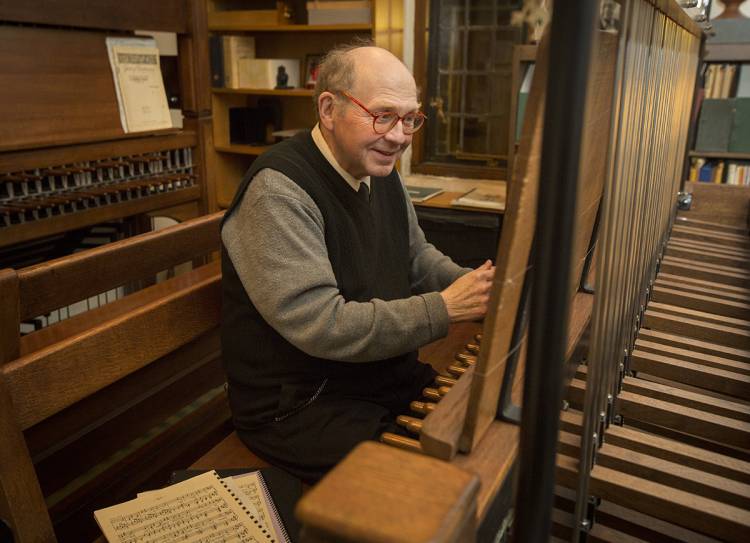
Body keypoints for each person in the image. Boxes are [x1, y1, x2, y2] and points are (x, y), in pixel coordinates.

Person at [220, 43, 495, 483]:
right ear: (329, 109)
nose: (400, 136)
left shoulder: (377, 166)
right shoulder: (279, 191)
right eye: (383, 115)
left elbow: (416, 257)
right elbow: (322, 323)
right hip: (302, 404)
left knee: (484, 428)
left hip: (374, 377)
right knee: (426, 481)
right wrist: (447, 308)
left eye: (410, 119)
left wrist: (478, 287)